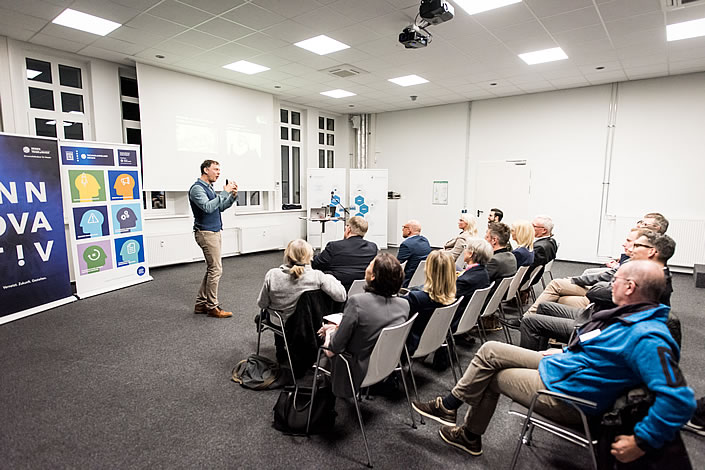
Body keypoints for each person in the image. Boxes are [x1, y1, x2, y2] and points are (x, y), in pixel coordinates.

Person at [412, 260, 696, 462]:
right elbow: (602, 355)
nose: (610, 284)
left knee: (492, 372)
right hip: (565, 367)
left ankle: (460, 421)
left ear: (631, 287)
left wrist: (641, 441)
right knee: (490, 352)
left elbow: (679, 400)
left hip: (570, 395)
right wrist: (562, 353)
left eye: (616, 280)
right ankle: (456, 418)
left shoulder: (647, 336)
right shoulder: (630, 317)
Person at [520, 231, 676, 351]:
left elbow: (596, 293)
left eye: (636, 245)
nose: (630, 249)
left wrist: (569, 351)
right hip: (596, 316)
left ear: (651, 252)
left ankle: (532, 362)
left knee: (530, 321)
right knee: (544, 307)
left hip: (596, 325)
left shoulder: (650, 279)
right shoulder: (648, 272)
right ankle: (538, 355)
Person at [318, 253, 409, 397]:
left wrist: (330, 331)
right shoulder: (404, 305)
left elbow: (335, 347)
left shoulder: (357, 302)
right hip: (387, 365)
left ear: (373, 276)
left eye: (370, 264)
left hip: (355, 369)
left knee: (326, 346)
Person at [257, 239, 346, 361]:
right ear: (309, 256)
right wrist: (331, 278)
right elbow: (341, 296)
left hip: (281, 322)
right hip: (307, 323)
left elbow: (262, 303)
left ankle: (280, 349)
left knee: (273, 312)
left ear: (287, 255)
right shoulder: (317, 276)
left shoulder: (272, 275)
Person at [189, 159, 238, 318]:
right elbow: (208, 208)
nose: (218, 172)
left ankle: (200, 303)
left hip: (214, 231)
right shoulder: (197, 189)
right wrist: (224, 192)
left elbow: (220, 207)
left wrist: (231, 197)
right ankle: (212, 306)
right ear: (205, 170)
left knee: (212, 268)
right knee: (216, 269)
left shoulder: (208, 188)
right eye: (215, 169)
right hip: (205, 233)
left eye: (219, 169)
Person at [403, 250, 457, 356]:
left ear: (428, 270)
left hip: (413, 344)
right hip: (436, 340)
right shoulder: (454, 297)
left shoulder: (416, 298)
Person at [312, 216, 378, 291]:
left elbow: (316, 264)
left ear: (348, 229)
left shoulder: (334, 246)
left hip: (335, 292)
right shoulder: (372, 248)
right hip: (363, 290)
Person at [452, 238, 492, 331]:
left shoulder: (465, 281)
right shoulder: (484, 273)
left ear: (470, 254)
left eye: (466, 248)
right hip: (470, 318)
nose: (464, 251)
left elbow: (448, 299)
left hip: (454, 320)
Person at [397, 219, 432, 288]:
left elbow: (396, 263)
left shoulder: (406, 244)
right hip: (424, 280)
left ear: (409, 230)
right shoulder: (425, 241)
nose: (402, 229)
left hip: (408, 281)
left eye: (404, 227)